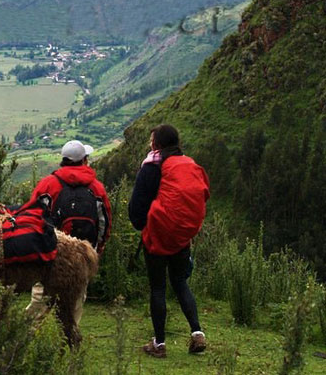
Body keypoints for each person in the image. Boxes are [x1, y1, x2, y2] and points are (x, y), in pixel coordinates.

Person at [129, 124, 210, 358]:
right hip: (181, 236)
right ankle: (197, 333)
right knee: (180, 282)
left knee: (158, 287)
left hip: (157, 235)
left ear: (156, 144)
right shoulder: (188, 164)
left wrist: (143, 225)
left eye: (151, 140)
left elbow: (136, 208)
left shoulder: (151, 167)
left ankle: (159, 344)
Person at [27, 140, 111, 253]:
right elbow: (104, 221)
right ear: (84, 160)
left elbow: (32, 216)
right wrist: (98, 246)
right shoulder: (97, 187)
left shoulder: (47, 185)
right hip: (87, 252)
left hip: (54, 252)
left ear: (63, 160)